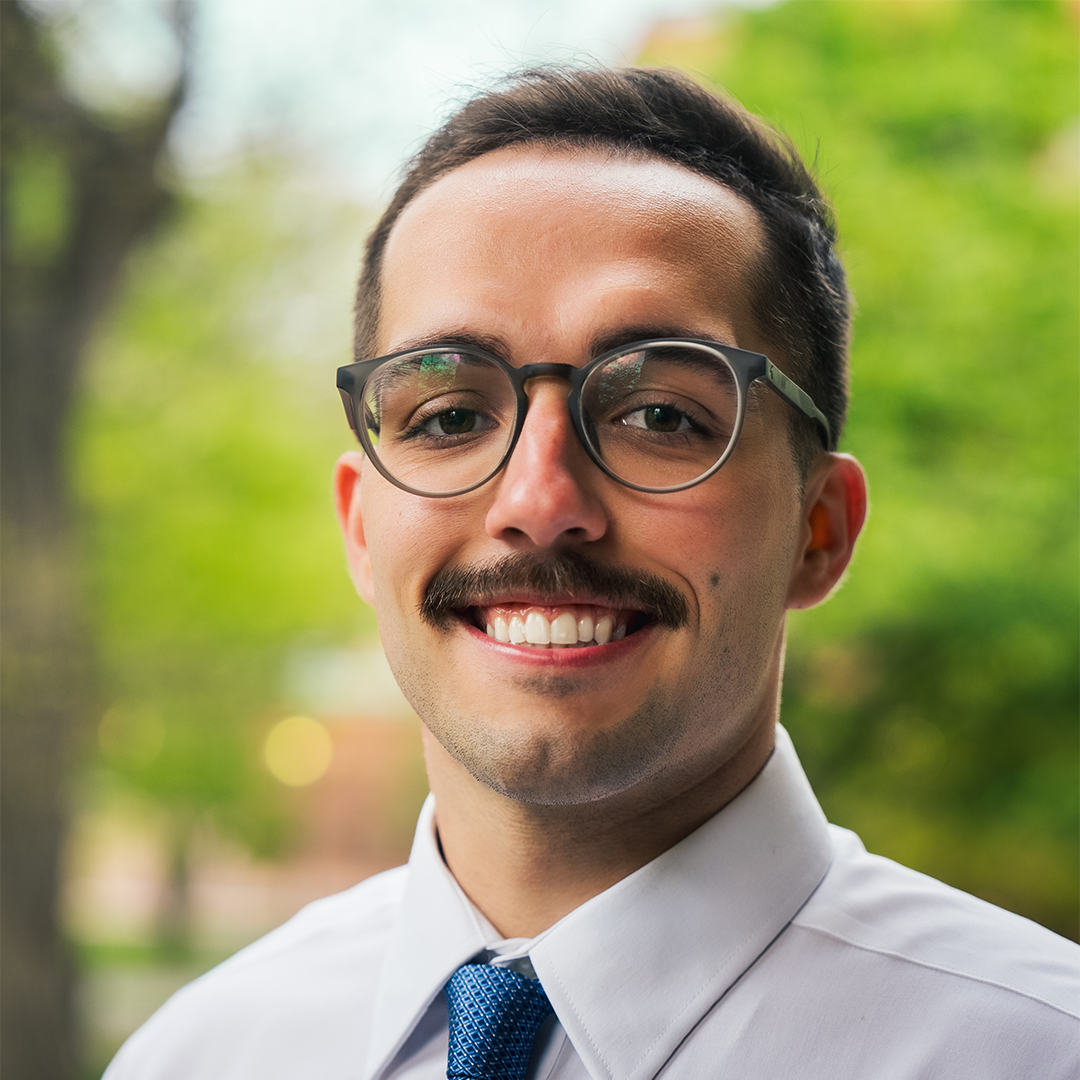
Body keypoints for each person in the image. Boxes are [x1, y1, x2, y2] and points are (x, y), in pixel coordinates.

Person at [105, 66, 1078, 1080]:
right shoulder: (197, 1054)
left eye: (660, 414)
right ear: (360, 528)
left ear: (818, 530)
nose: (538, 503)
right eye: (448, 417)